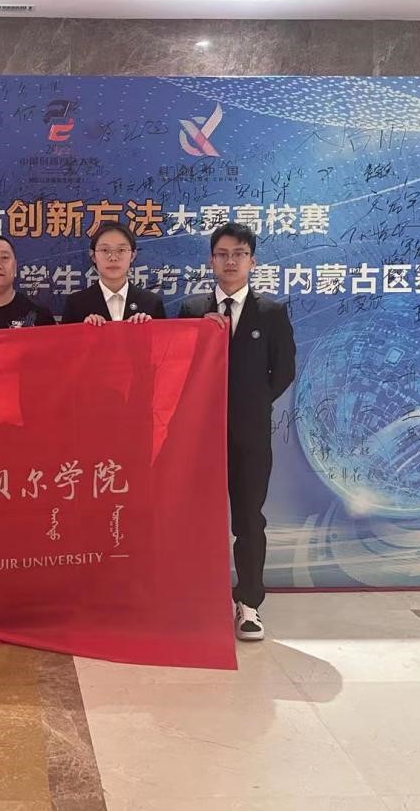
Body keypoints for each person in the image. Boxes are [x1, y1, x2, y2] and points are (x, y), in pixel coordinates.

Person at [178, 222, 295, 641]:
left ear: (252, 261)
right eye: (223, 254)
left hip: (249, 437)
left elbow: (283, 372)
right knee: (197, 520)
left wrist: (251, 403)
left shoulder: (272, 313)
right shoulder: (192, 309)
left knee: (248, 520)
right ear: (211, 260)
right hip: (200, 436)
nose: (231, 261)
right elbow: (178, 369)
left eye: (239, 254)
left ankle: (249, 603)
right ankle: (197, 598)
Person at [61, 220, 166, 325]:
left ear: (133, 255)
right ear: (93, 256)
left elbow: (164, 336)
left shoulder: (151, 303)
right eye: (105, 250)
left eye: (121, 250)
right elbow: (66, 336)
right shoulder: (75, 304)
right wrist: (85, 329)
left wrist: (148, 327)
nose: (113, 258)